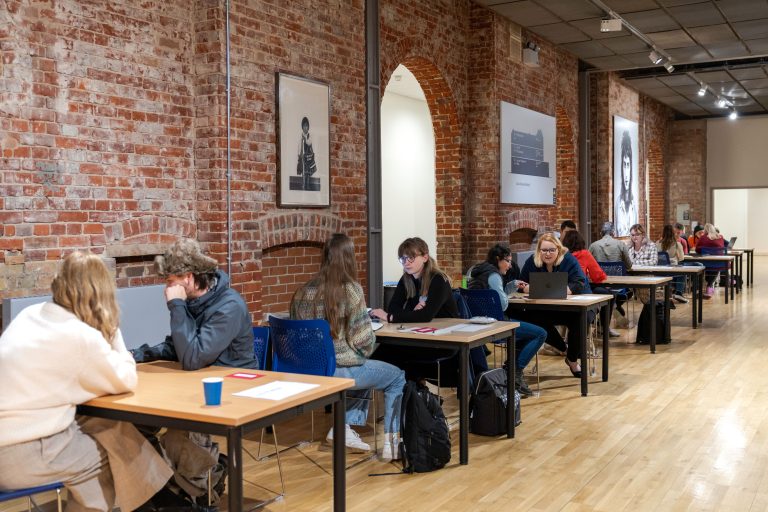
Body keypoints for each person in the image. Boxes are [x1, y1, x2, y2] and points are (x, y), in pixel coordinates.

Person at [0, 252, 172, 512]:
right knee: (115, 455)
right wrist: (113, 330)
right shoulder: (80, 336)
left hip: (12, 440)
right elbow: (126, 378)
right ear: (101, 292)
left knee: (107, 427)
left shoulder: (29, 315)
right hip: (25, 453)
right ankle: (156, 501)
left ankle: (152, 503)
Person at [131, 238, 256, 506]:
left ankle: (202, 488)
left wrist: (176, 306)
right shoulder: (193, 300)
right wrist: (134, 356)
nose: (166, 288)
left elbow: (193, 356)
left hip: (232, 388)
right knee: (134, 424)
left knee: (180, 433)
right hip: (195, 382)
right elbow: (176, 346)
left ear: (188, 277)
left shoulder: (228, 306)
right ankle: (168, 488)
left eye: (169, 281)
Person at [291, 233, 405, 461]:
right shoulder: (351, 290)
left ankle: (341, 429)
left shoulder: (302, 291)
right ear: (350, 258)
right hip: (338, 368)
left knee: (365, 368)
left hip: (307, 368)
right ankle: (392, 445)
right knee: (396, 377)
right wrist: (372, 337)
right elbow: (362, 342)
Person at [370, 237, 486, 386]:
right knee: (385, 351)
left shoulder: (438, 280)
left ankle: (415, 394)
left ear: (425, 257)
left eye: (411, 257)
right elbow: (394, 307)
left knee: (393, 353)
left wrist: (391, 317)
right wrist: (411, 312)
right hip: (418, 336)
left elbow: (425, 315)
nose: (406, 262)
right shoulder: (406, 279)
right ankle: (412, 394)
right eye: (402, 259)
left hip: (443, 342)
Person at [467, 244, 547, 397]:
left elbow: (491, 298)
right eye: (508, 261)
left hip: (478, 324)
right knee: (540, 333)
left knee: (526, 334)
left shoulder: (476, 271)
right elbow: (502, 305)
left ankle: (511, 369)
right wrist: (506, 294)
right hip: (497, 326)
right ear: (498, 259)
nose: (510, 266)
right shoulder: (495, 276)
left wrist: (511, 286)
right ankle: (515, 372)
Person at [518, 233, 592, 378]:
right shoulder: (532, 261)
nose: (548, 253)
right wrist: (525, 287)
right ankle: (564, 349)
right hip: (548, 307)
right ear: (539, 251)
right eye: (544, 250)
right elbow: (521, 283)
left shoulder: (569, 259)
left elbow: (579, 282)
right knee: (534, 318)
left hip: (577, 305)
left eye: (551, 250)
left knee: (581, 320)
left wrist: (564, 290)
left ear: (559, 249)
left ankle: (572, 360)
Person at [561, 230, 619, 337]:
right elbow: (598, 276)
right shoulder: (584, 254)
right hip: (581, 293)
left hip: (564, 293)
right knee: (610, 295)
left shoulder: (561, 256)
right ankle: (603, 327)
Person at [589, 221, 633, 326]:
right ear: (613, 233)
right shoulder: (621, 244)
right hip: (617, 285)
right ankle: (611, 317)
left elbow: (589, 266)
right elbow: (629, 265)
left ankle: (604, 321)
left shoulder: (593, 246)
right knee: (630, 290)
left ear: (601, 233)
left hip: (598, 284)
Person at [615, 130, 638, 237]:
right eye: (624, 165)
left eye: (628, 165)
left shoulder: (634, 204)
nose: (626, 174)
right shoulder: (618, 203)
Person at [657, 224, 688, 303]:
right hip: (673, 270)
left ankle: (670, 294)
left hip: (659, 271)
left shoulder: (657, 243)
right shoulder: (677, 244)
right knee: (683, 272)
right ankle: (678, 292)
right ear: (673, 233)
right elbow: (681, 258)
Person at [696, 223, 726, 298]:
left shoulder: (703, 238)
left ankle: (706, 286)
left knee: (707, 267)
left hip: (705, 262)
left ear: (705, 230)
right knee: (715, 267)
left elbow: (697, 249)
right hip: (719, 263)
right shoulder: (720, 237)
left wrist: (704, 251)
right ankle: (709, 286)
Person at [297, 116, 318, 191]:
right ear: (302, 127)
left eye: (306, 126)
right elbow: (299, 145)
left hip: (309, 156)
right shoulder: (300, 136)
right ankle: (303, 184)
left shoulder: (310, 136)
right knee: (303, 171)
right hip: (303, 156)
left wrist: (305, 138)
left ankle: (308, 184)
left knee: (308, 172)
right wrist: (299, 154)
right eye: (304, 126)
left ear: (308, 127)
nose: (305, 127)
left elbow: (309, 143)